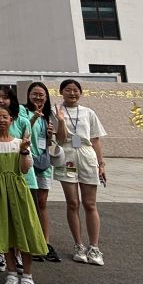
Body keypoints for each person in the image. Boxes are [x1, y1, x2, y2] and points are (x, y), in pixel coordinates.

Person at [0, 104, 48, 284]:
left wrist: (25, 151)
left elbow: (25, 169)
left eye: (5, 117)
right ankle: (11, 274)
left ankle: (27, 277)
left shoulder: (20, 143)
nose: (1, 120)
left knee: (24, 231)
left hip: (19, 191)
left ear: (12, 120)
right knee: (6, 232)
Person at [54, 79, 107, 266]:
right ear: (61, 92)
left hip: (86, 154)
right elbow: (59, 139)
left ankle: (94, 247)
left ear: (80, 93)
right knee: (73, 202)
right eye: (68, 90)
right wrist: (60, 121)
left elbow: (95, 139)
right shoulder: (56, 111)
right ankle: (78, 244)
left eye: (76, 90)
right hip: (66, 154)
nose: (72, 93)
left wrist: (101, 163)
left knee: (90, 203)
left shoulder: (88, 113)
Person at [16, 82, 61, 263]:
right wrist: (34, 116)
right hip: (27, 160)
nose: (38, 97)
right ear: (28, 95)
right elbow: (22, 132)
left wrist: (51, 135)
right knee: (28, 202)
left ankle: (44, 242)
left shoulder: (48, 115)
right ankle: (28, 240)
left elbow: (49, 141)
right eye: (34, 94)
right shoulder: (22, 111)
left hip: (43, 162)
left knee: (42, 203)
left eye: (41, 94)